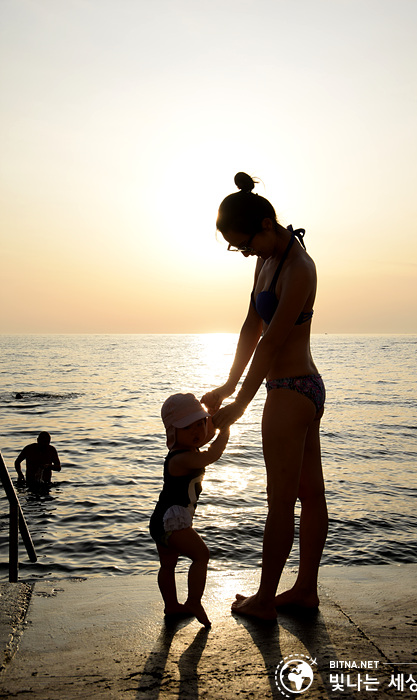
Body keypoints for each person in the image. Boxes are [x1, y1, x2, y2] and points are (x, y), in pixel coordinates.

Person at [202, 172, 327, 620]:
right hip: (296, 390)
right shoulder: (267, 261)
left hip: (292, 391)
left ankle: (265, 599)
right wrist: (227, 384)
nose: (244, 253)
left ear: (267, 225)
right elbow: (251, 326)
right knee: (309, 493)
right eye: (236, 248)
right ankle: (305, 591)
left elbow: (271, 342)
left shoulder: (300, 268)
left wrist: (240, 404)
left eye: (244, 244)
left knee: (282, 502)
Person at [150, 393, 230, 627]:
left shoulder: (188, 447)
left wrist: (214, 417)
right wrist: (226, 431)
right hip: (171, 521)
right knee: (201, 555)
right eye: (187, 427)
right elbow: (212, 455)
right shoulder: (181, 459)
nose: (196, 431)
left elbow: (207, 435)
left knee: (168, 565)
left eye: (199, 423)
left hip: (162, 520)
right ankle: (193, 601)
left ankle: (171, 606)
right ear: (173, 432)